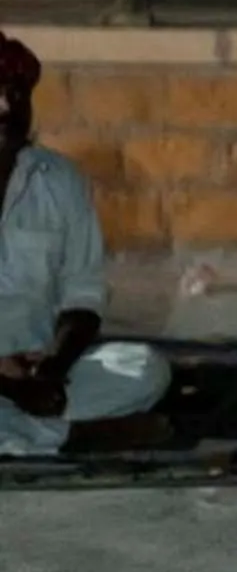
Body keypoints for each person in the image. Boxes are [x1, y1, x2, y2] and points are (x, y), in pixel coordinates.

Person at [0, 32, 174, 458]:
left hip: (38, 372)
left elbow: (83, 294)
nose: (6, 108)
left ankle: (24, 435)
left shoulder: (60, 181)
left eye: (16, 93)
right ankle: (73, 439)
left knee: (145, 369)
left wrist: (52, 369)